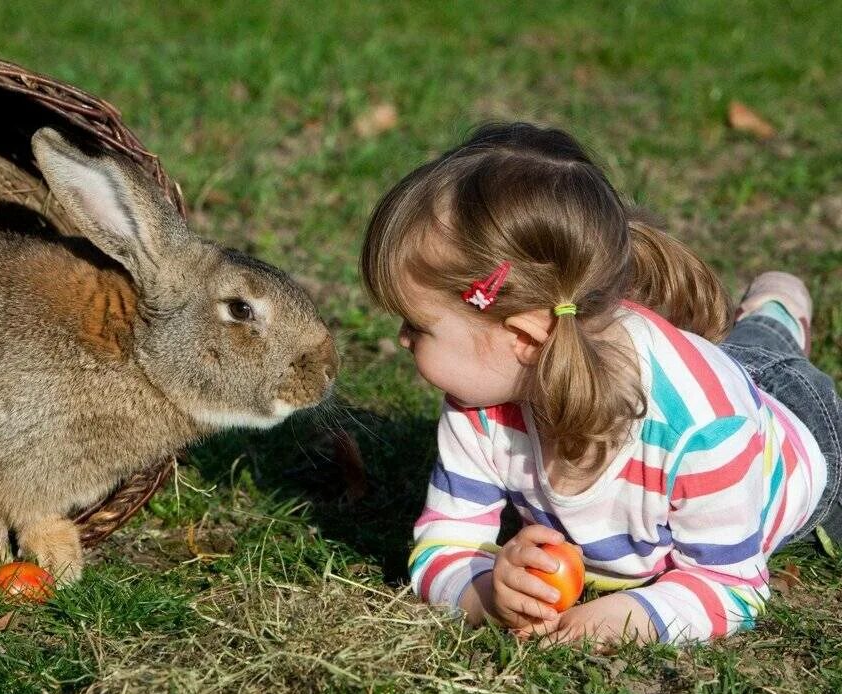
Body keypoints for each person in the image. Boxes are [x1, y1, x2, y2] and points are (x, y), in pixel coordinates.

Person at [359, 121, 841, 644]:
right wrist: (486, 594)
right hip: (674, 368)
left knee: (759, 355)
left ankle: (777, 310)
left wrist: (624, 619)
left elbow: (730, 585)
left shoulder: (704, 432)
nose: (402, 340)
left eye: (417, 326)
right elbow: (443, 545)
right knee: (738, 354)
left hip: (799, 433)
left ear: (522, 337)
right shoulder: (481, 402)